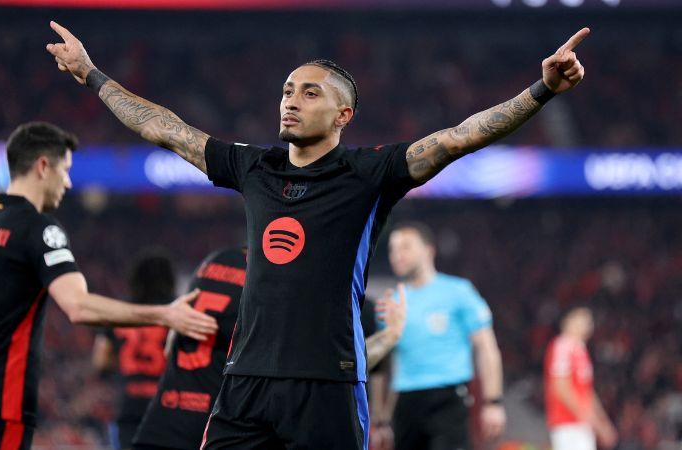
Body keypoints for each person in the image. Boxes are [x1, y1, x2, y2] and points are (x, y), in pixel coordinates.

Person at [46, 21, 588, 449]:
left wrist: (541, 90)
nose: (290, 100)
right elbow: (165, 128)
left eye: (309, 93)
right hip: (247, 379)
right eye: (286, 90)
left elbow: (457, 138)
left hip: (328, 381)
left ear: (343, 115)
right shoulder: (253, 167)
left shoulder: (369, 173)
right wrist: (92, 75)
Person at [0, 121, 218, 450]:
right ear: (43, 166)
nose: (69, 183)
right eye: (65, 169)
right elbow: (78, 306)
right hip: (3, 399)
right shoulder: (40, 229)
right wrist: (165, 314)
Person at [132, 247, 406, 450]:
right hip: (216, 429)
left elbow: (171, 347)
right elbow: (323, 366)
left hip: (160, 427)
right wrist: (390, 336)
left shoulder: (214, 262)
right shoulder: (277, 289)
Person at [371, 222, 505, 450]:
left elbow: (486, 346)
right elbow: (383, 365)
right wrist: (380, 418)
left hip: (448, 398)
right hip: (405, 401)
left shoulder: (459, 292)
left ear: (428, 250)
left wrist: (493, 401)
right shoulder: (392, 302)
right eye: (393, 249)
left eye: (405, 247)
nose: (397, 255)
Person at [92, 251, 177, 450]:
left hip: (129, 404)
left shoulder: (119, 311)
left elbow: (101, 360)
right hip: (168, 404)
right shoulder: (177, 312)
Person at [544, 306, 617, 450]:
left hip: (581, 423)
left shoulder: (581, 350)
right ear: (567, 322)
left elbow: (587, 392)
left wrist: (603, 421)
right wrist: (591, 420)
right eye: (580, 320)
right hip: (566, 421)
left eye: (588, 322)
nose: (585, 325)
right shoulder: (562, 346)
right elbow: (561, 387)